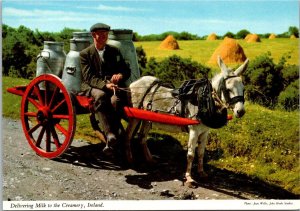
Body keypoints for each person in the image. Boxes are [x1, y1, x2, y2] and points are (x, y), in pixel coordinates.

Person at [79, 23, 130, 155]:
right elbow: (88, 77)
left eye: (105, 34)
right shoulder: (85, 54)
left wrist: (120, 75)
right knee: (101, 96)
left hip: (112, 86)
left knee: (115, 101)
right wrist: (104, 85)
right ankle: (109, 135)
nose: (103, 36)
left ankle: (117, 134)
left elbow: (125, 69)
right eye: (100, 34)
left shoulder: (114, 51)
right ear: (93, 35)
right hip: (91, 86)